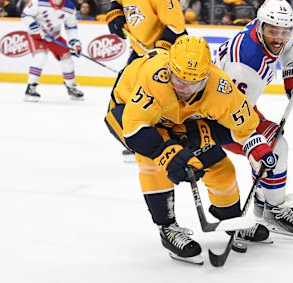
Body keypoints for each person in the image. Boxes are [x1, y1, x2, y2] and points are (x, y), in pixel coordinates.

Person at [104, 36, 276, 264]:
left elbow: (245, 126)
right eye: (178, 80)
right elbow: (134, 129)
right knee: (153, 163)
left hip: (180, 119)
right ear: (169, 69)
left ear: (208, 75)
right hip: (130, 114)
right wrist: (168, 155)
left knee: (220, 168)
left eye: (194, 84)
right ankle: (167, 227)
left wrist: (258, 148)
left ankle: (230, 218)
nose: (184, 89)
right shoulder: (154, 78)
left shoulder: (220, 87)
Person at [213, 0, 293, 238]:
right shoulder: (245, 65)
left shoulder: (270, 26)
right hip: (216, 117)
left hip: (239, 105)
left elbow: (290, 43)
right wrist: (254, 144)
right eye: (273, 32)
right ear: (260, 26)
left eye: (284, 31)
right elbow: (231, 114)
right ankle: (273, 209)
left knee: (272, 147)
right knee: (275, 148)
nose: (279, 37)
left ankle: (264, 200)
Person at [106, 0, 188, 161]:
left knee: (163, 101)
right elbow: (117, 0)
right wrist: (115, 14)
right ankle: (136, 141)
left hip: (167, 50)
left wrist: (159, 52)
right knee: (122, 98)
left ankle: (170, 142)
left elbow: (177, 27)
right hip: (140, 51)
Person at [21, 0, 84, 101]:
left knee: (67, 58)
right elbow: (25, 15)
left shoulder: (70, 7)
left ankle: (71, 87)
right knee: (40, 57)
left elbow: (71, 27)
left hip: (54, 37)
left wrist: (75, 43)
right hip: (37, 36)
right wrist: (36, 27)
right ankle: (31, 88)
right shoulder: (38, 1)